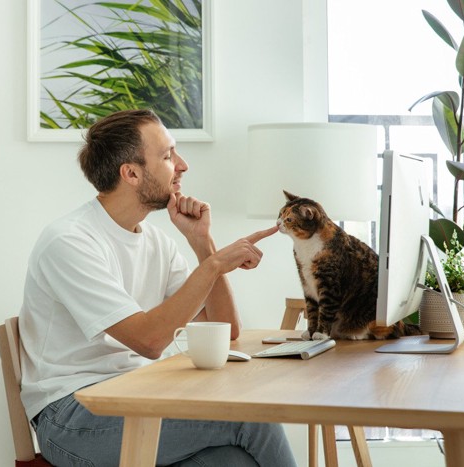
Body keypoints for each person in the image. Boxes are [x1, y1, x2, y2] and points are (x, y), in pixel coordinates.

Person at [18, 109, 296, 467]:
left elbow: (225, 331)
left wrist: (202, 244)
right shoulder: (70, 242)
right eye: (167, 155)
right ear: (131, 173)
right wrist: (212, 266)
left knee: (232, 460)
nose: (182, 165)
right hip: (73, 416)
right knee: (251, 416)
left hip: (138, 394)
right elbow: (148, 341)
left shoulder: (156, 242)